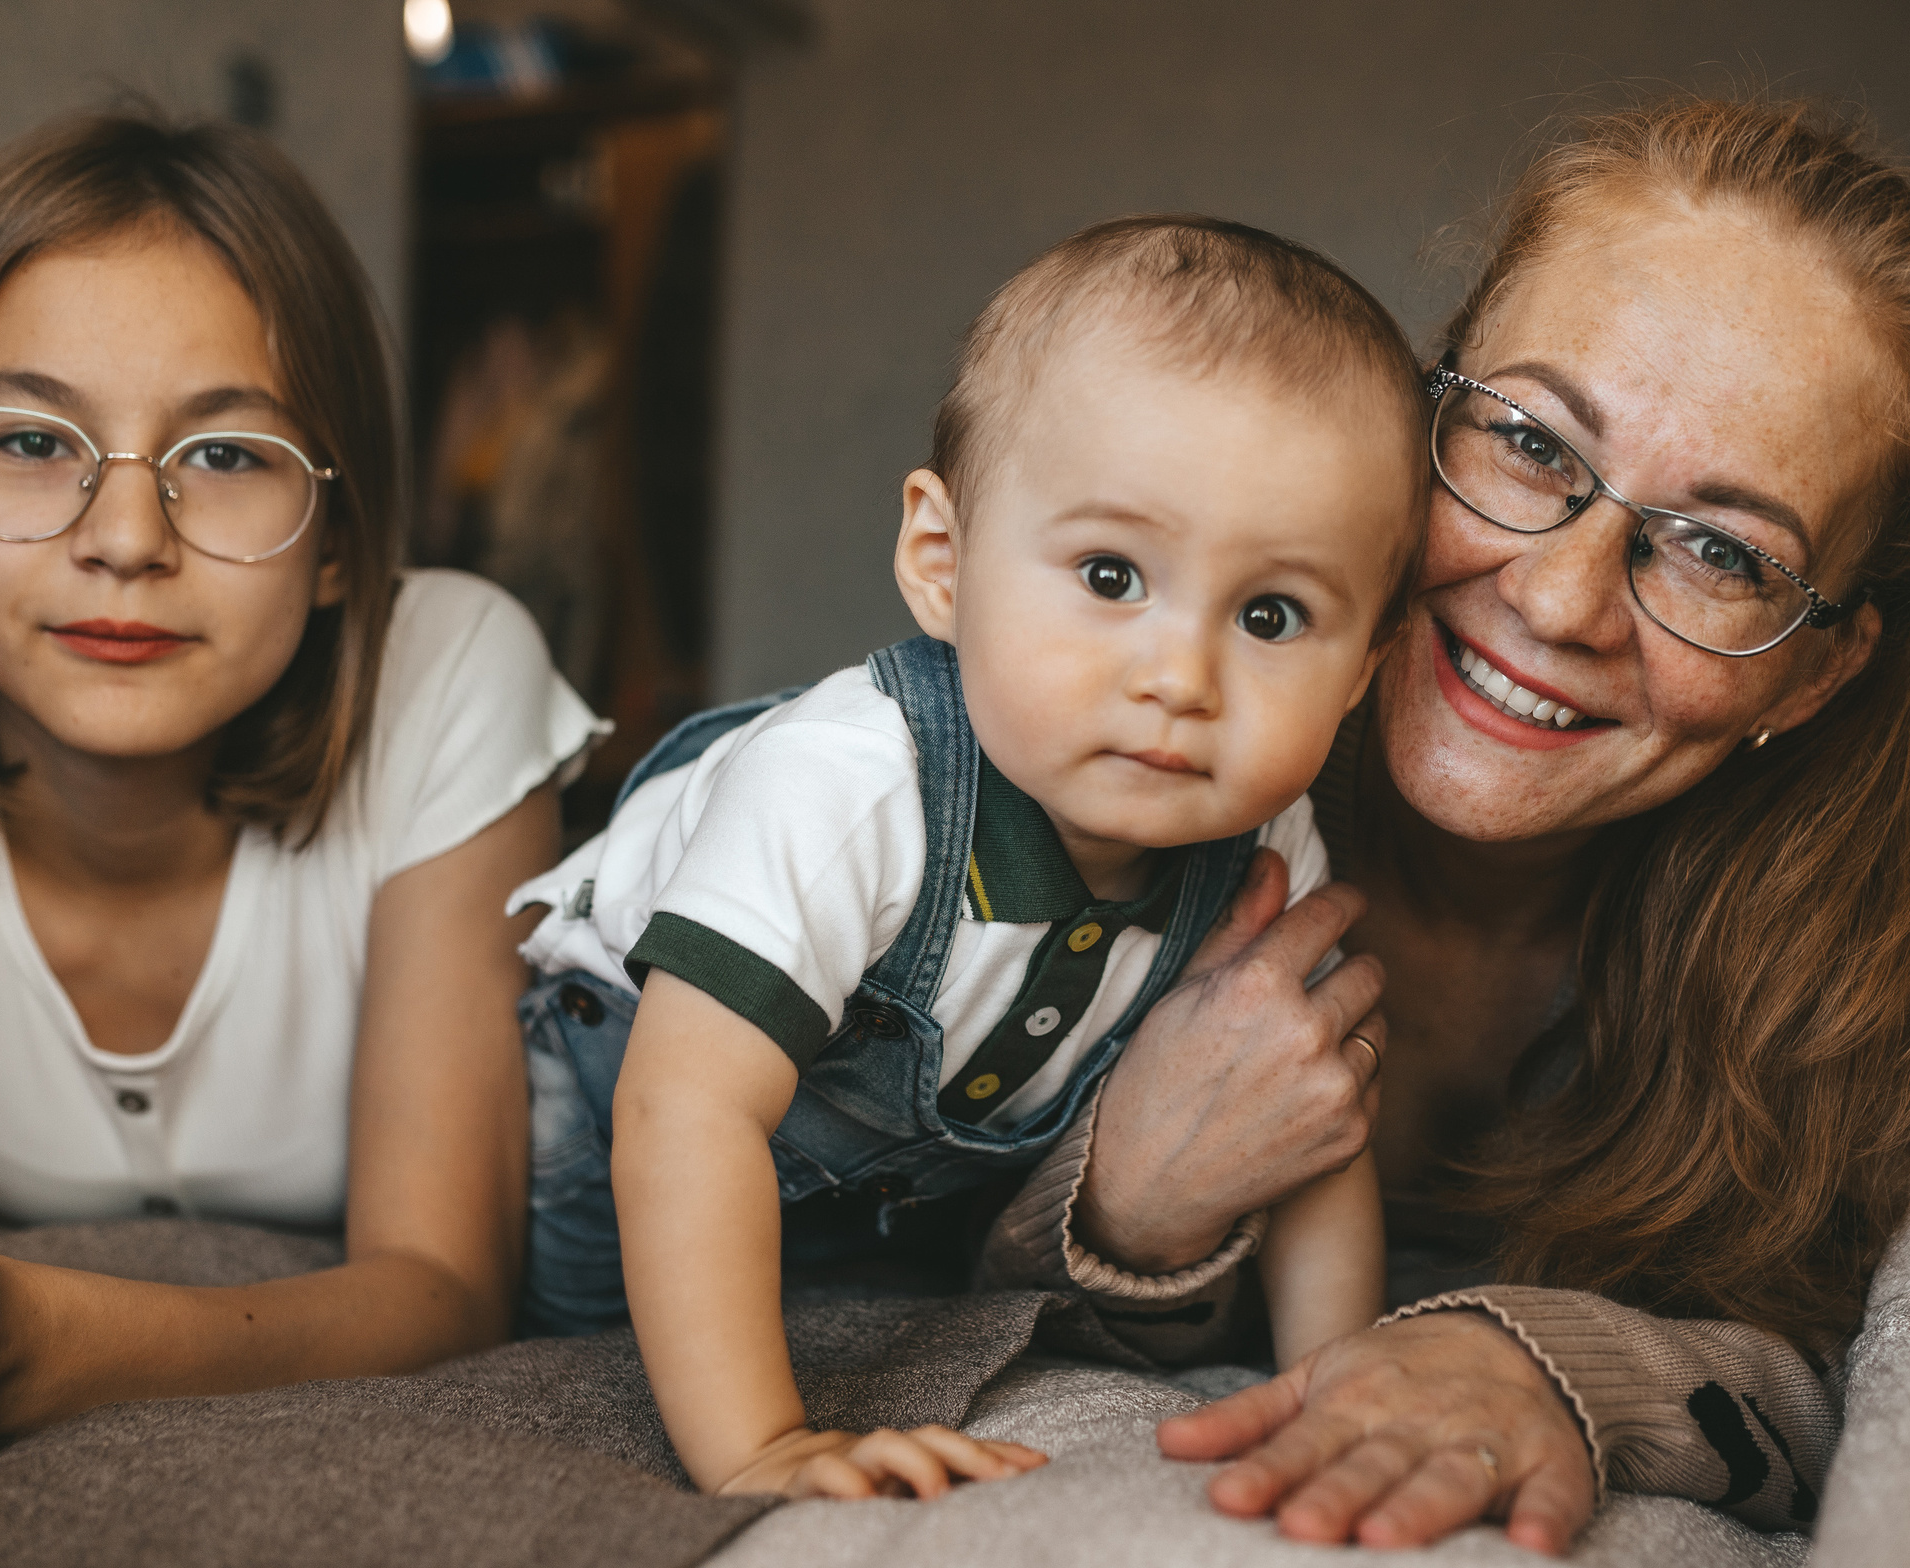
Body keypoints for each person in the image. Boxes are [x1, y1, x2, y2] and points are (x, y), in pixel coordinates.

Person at [977, 97, 1910, 1553]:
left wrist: (1557, 1357)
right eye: (1531, 442)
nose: (1556, 599)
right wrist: (1124, 1207)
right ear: (1422, 412)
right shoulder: (1132, 731)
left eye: (1723, 550)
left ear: (1822, 662)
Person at [0, 114, 598, 1510]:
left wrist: (33, 1335)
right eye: (26, 439)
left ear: (335, 547)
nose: (127, 536)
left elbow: (441, 1283)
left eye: (231, 456)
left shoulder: (448, 666)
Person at [505, 218, 1418, 1498]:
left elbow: (1307, 1134)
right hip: (611, 1102)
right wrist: (763, 1446)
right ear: (942, 564)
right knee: (577, 1364)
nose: (1180, 678)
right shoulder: (848, 782)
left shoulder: (1271, 836)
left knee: (865, 1307)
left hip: (869, 1190)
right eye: (1111, 574)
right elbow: (685, 1111)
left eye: (1271, 615)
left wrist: (1337, 1382)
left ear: (1363, 670)